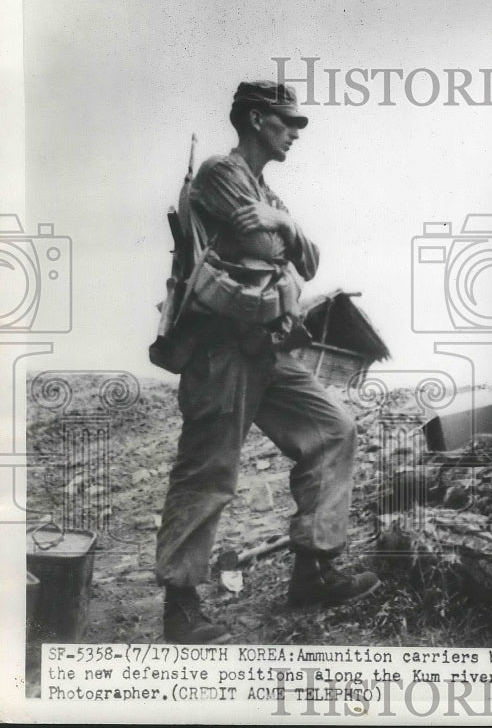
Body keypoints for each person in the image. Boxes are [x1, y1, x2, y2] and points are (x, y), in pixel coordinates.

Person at [155, 81, 378, 644]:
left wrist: (281, 228)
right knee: (209, 472)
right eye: (287, 122)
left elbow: (306, 256)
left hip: (267, 348)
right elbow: (273, 255)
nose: (294, 133)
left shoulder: (267, 195)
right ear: (256, 120)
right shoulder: (219, 175)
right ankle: (181, 606)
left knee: (333, 431)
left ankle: (313, 569)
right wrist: (283, 241)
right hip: (220, 347)